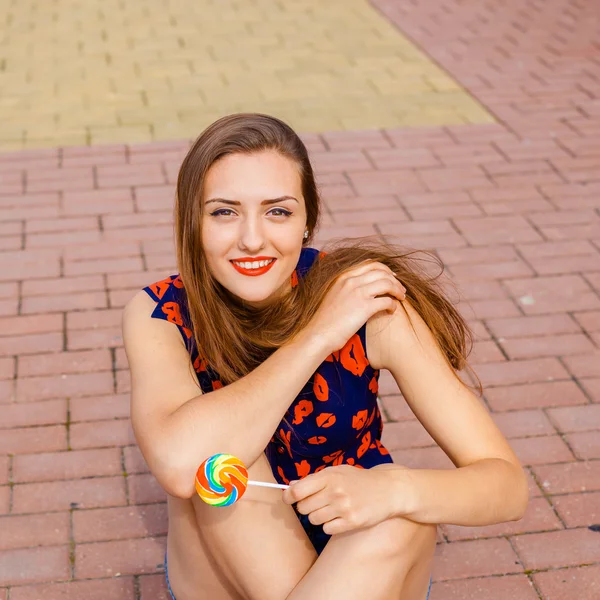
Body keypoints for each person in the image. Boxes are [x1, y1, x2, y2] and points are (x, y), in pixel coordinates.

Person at [122, 113, 528, 600]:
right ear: (193, 222)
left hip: (366, 565)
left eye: (278, 212)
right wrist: (317, 335)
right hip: (228, 575)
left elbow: (507, 486)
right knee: (223, 454)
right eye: (225, 212)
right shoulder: (162, 312)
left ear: (308, 219)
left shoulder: (365, 302)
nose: (252, 239)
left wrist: (395, 489)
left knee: (398, 517)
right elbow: (178, 462)